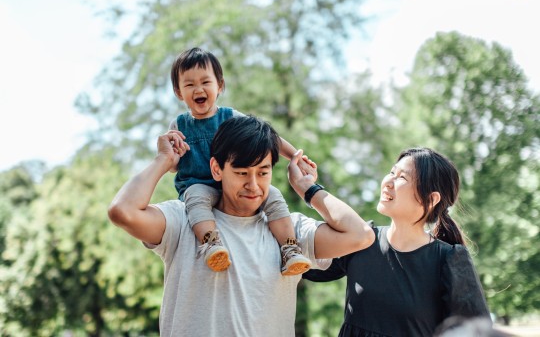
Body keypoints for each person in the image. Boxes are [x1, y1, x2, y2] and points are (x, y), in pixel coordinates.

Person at [108, 115, 375, 336]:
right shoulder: (183, 220)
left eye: (263, 172)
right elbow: (123, 211)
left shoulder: (289, 234)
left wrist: (307, 188)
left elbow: (360, 235)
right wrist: (163, 161)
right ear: (216, 169)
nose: (253, 184)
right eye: (241, 172)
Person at [303, 147, 490, 337]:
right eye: (392, 172)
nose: (388, 182)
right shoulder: (362, 240)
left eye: (402, 177)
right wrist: (304, 185)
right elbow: (299, 264)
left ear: (431, 198)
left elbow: (477, 331)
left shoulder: (449, 259)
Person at [168, 47, 315, 275]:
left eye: (206, 82)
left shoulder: (231, 117)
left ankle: (289, 248)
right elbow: (173, 166)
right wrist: (171, 152)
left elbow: (267, 138)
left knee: (273, 195)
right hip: (198, 184)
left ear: (220, 85)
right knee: (195, 198)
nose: (199, 89)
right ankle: (211, 244)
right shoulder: (179, 126)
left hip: (236, 184)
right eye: (189, 85)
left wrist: (295, 155)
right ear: (179, 92)